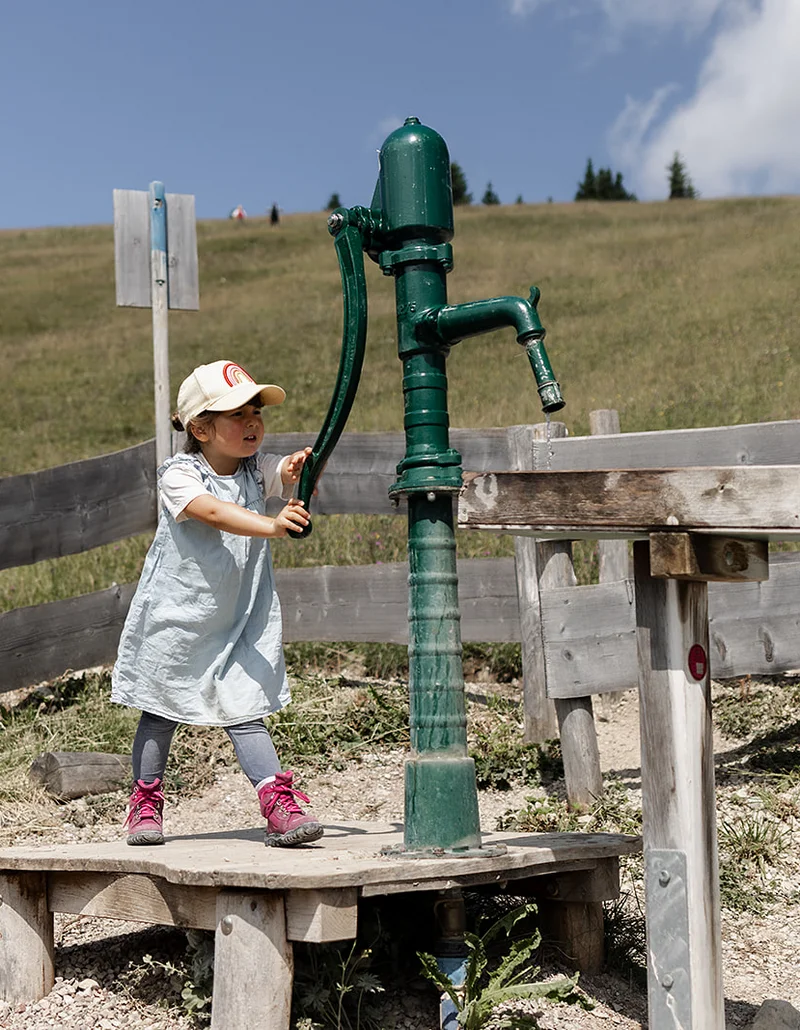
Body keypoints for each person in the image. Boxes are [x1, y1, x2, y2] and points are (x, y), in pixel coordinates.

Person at [111, 359, 323, 848]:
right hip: (178, 618)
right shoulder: (180, 474)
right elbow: (213, 512)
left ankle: (278, 804)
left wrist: (299, 466)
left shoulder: (255, 468)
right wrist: (271, 525)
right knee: (160, 709)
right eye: (237, 414)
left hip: (237, 618)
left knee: (244, 708)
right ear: (201, 429)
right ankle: (146, 803)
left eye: (256, 412)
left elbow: (285, 472)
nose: (252, 423)